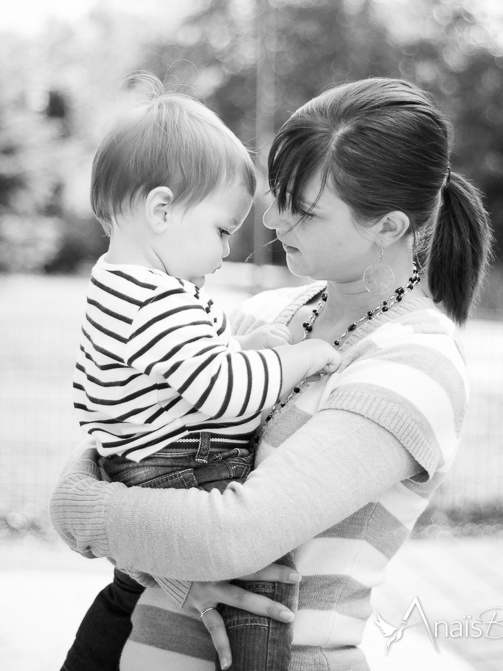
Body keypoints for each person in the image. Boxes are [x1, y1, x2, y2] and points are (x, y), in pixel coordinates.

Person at [51, 77, 492, 671]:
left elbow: (231, 536)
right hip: (126, 626)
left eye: (305, 210)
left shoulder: (416, 366)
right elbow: (138, 453)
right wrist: (174, 577)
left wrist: (82, 508)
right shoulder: (266, 317)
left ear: (387, 227)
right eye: (279, 192)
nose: (274, 219)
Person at [62, 82, 341, 671]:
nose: (228, 252)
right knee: (263, 587)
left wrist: (247, 347)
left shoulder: (119, 285)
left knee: (132, 595)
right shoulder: (156, 301)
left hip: (140, 467)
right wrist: (305, 356)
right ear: (162, 211)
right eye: (221, 230)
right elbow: (228, 397)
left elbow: (189, 368)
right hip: (183, 468)